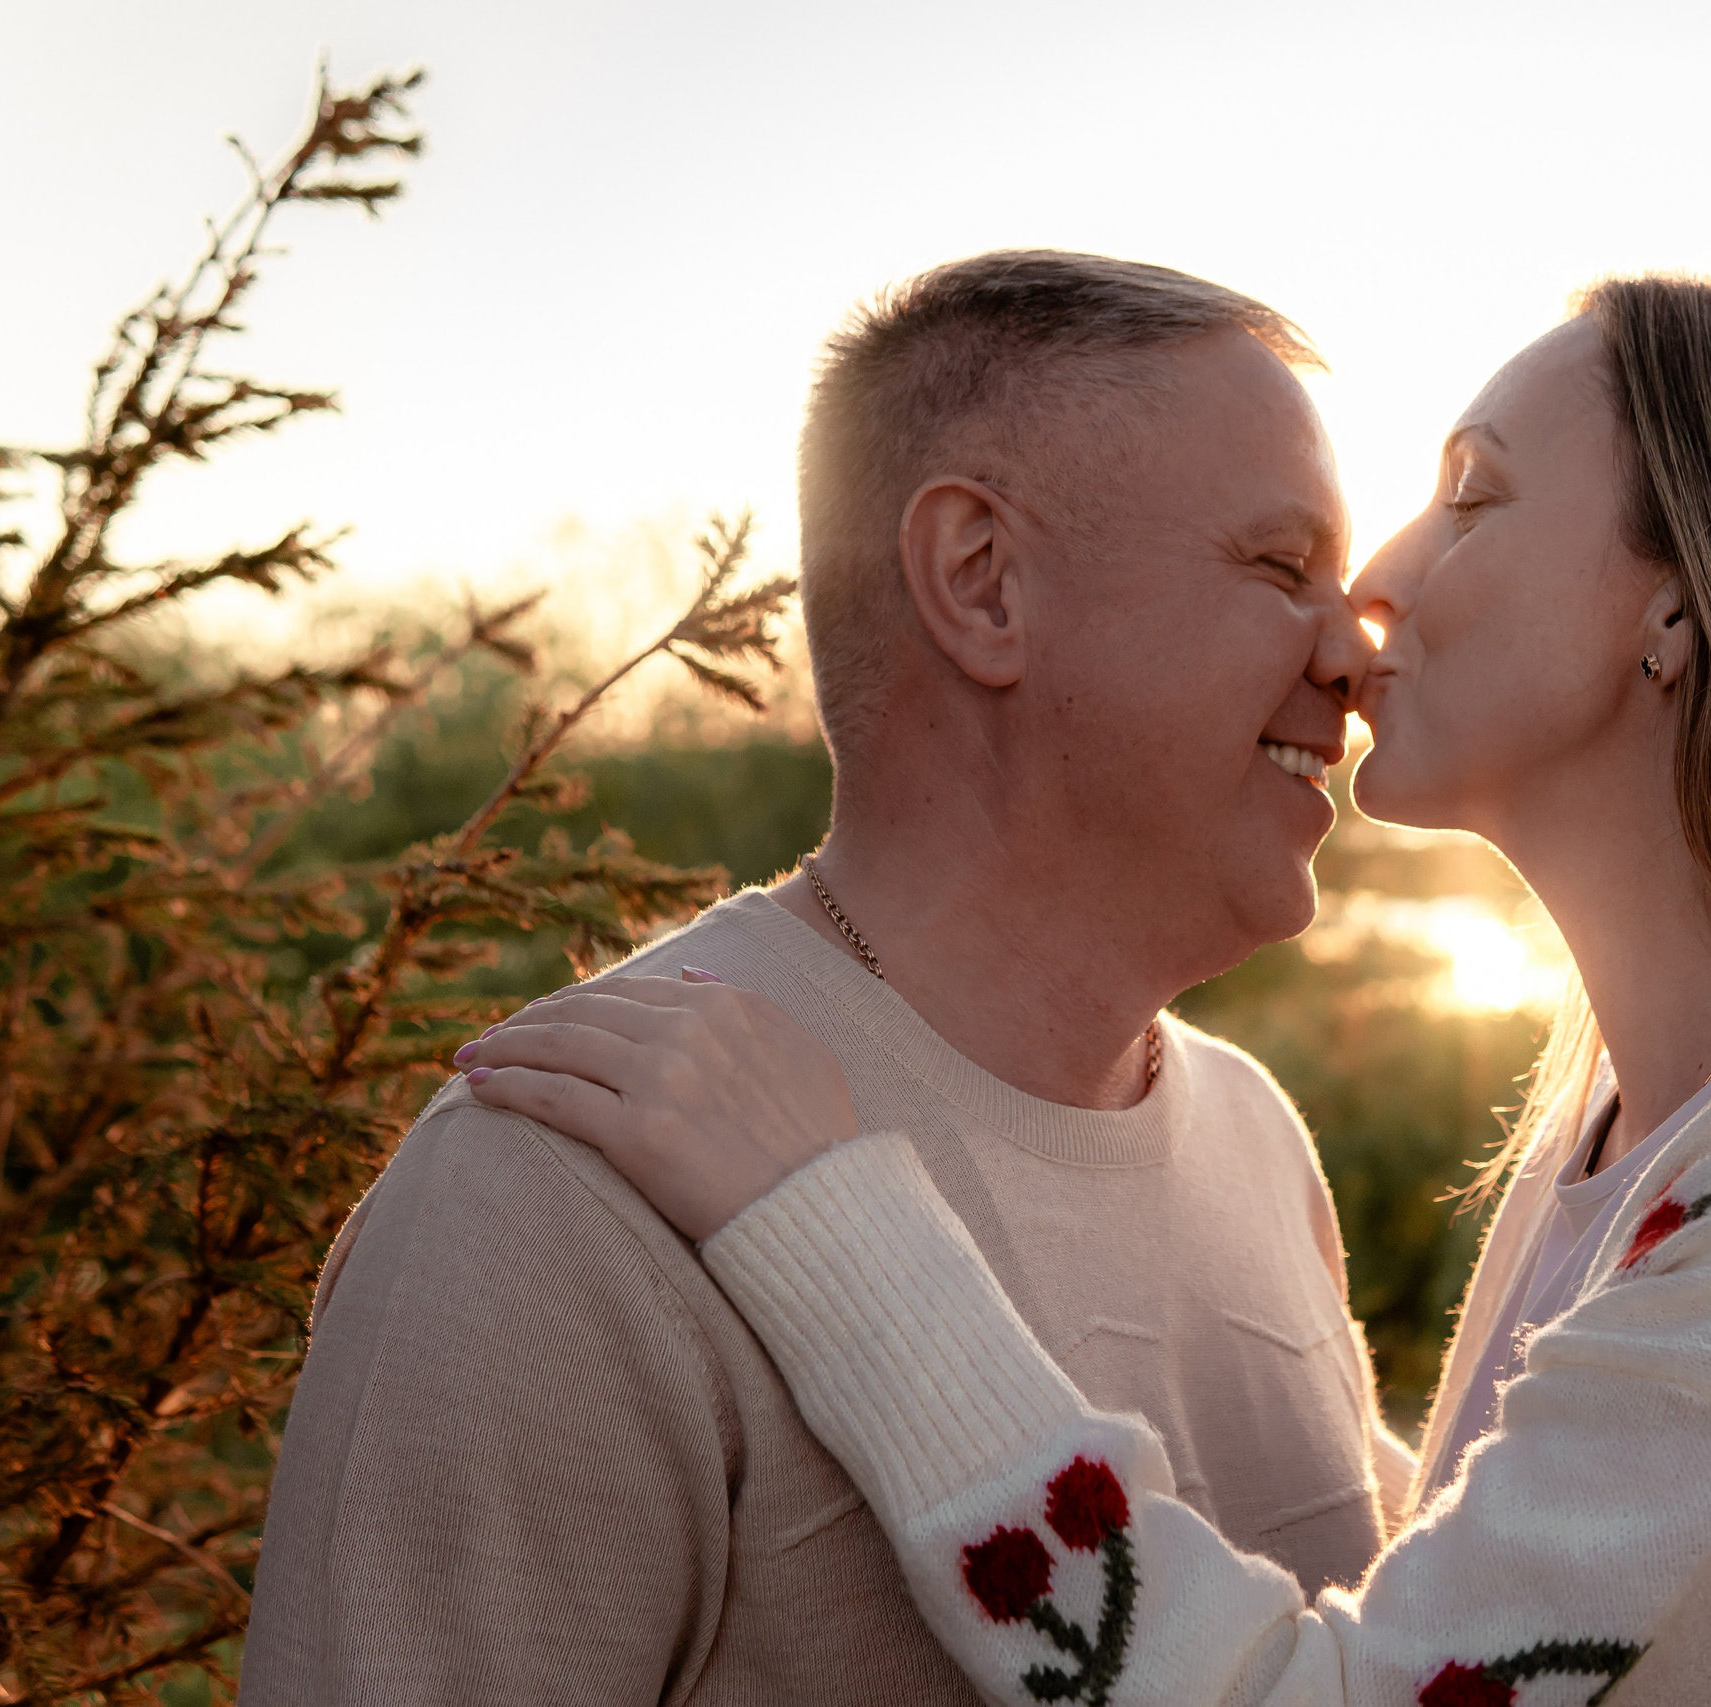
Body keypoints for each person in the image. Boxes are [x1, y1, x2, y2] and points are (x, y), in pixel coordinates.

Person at [463, 275, 1711, 1704]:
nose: (1371, 597)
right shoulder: (1646, 1123)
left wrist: (835, 1227)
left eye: (1472, 498)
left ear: (1684, 605)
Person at [241, 252, 1414, 1704]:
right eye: (1281, 568)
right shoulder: (557, 1194)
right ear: (982, 582)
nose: (1358, 656)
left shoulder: (1255, 1142)